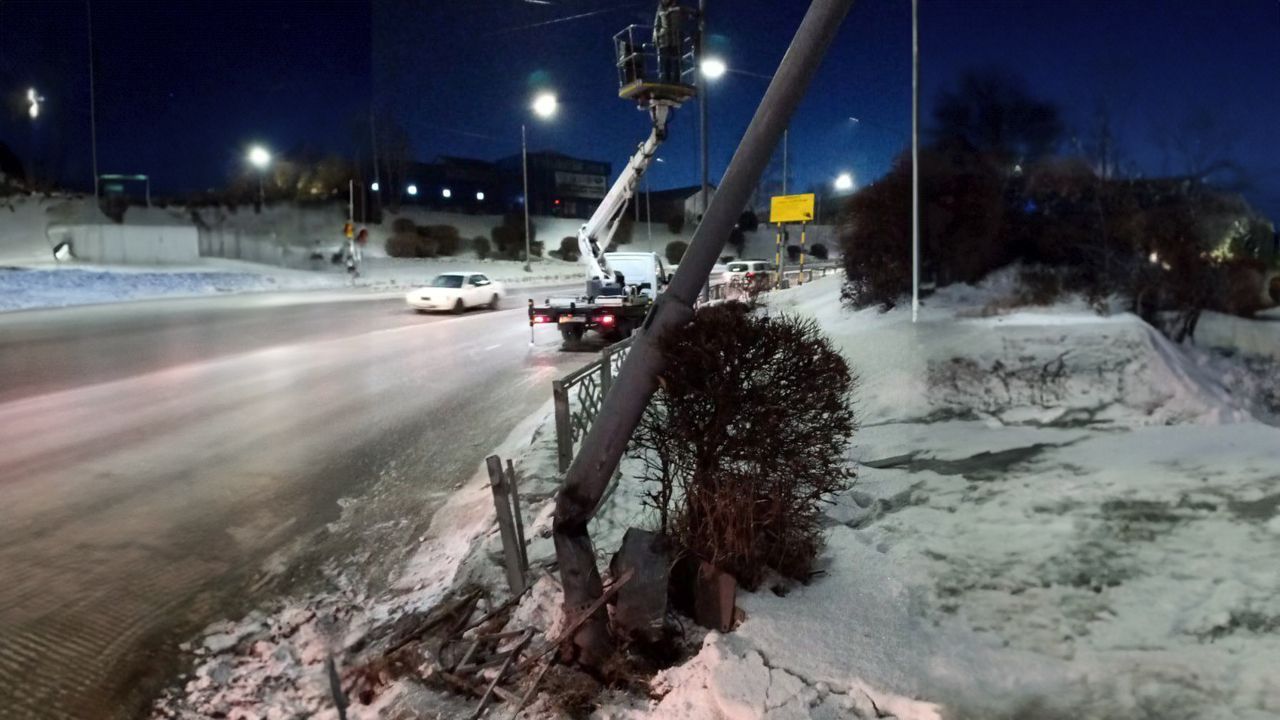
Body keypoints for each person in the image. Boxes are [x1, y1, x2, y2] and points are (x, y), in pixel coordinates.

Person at [653, 0, 685, 84]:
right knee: (666, 61)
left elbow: (688, 13)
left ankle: (676, 80)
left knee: (676, 61)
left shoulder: (678, 6)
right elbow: (657, 24)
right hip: (664, 39)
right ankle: (666, 79)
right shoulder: (660, 9)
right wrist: (655, 38)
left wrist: (695, 13)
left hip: (676, 38)